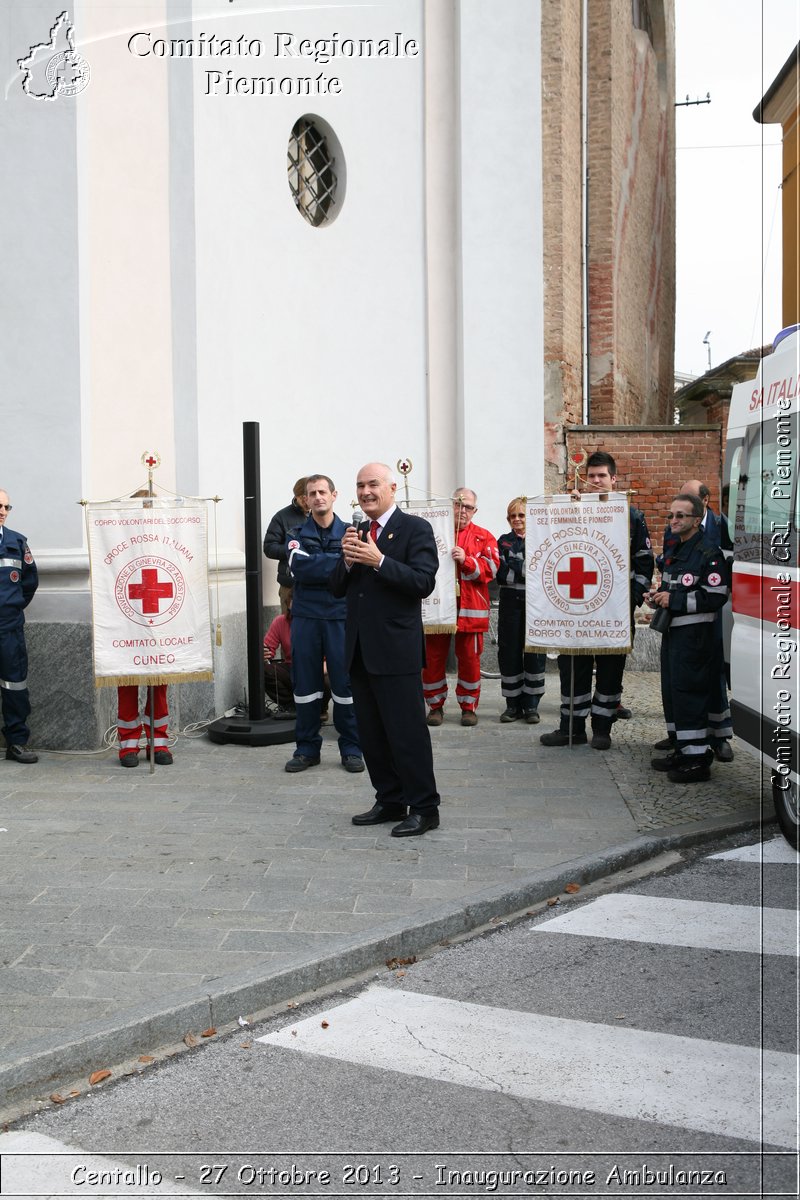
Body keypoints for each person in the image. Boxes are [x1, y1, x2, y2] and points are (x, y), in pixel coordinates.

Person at [331, 462, 441, 837]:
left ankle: (425, 807)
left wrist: (380, 561)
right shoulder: (357, 530)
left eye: (373, 484)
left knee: (406, 733)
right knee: (372, 734)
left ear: (392, 488)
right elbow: (336, 587)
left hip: (396, 651)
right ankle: (390, 799)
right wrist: (345, 563)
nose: (365, 492)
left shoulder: (415, 529)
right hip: (360, 650)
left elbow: (423, 582)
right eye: (360, 486)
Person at [540, 451, 654, 751]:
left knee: (610, 671)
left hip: (613, 612)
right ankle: (571, 728)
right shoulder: (572, 508)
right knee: (572, 671)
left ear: (613, 479)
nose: (596, 481)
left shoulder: (631, 515)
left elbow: (644, 562)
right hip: (575, 610)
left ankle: (602, 729)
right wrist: (567, 509)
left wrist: (628, 599)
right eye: (591, 476)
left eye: (602, 475)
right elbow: (553, 548)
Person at [648, 493, 730, 783]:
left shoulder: (709, 553)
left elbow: (716, 596)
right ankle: (683, 750)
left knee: (690, 695)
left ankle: (697, 760)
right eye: (671, 515)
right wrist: (656, 598)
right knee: (674, 694)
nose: (674, 520)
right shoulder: (676, 550)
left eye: (680, 516)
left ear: (697, 519)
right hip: (674, 634)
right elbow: (672, 590)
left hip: (695, 638)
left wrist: (675, 601)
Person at [284, 474, 362, 774]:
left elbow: (356, 568)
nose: (317, 497)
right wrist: (340, 560)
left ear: (334, 495)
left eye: (322, 492)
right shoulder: (296, 532)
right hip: (306, 617)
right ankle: (306, 749)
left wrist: (334, 562)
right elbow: (298, 567)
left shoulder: (352, 532)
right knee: (306, 686)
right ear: (305, 499)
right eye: (311, 493)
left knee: (345, 686)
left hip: (341, 617)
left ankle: (352, 748)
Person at [423, 488, 499, 727]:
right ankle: (435, 706)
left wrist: (466, 560)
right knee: (433, 658)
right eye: (458, 505)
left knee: (469, 659)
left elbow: (492, 570)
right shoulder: (436, 533)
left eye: (468, 507)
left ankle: (469, 706)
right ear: (451, 506)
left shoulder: (484, 536)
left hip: (471, 609)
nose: (463, 511)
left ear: (475, 511)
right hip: (439, 607)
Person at [117, 489, 173, 767]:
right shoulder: (117, 542)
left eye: (150, 509)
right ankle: (128, 746)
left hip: (158, 623)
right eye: (142, 509)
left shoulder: (167, 542)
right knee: (127, 684)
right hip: (126, 626)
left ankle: (158, 743)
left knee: (158, 686)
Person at [496, 497, 546, 724]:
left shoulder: (541, 540)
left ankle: (532, 705)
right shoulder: (502, 542)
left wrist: (515, 566)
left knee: (534, 652)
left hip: (535, 603)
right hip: (510, 603)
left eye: (521, 515)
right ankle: (512, 704)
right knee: (509, 653)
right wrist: (524, 568)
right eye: (512, 516)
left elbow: (541, 571)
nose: (516, 520)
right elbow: (500, 574)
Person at [0, 489, 38, 763]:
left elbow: (29, 584)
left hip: (8, 629)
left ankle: (16, 743)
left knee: (14, 686)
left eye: (6, 506)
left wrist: (11, 608)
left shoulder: (17, 542)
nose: (2, 510)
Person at [263, 477, 309, 589]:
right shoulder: (281, 517)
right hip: (290, 584)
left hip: (317, 583)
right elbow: (269, 548)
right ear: (295, 496)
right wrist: (293, 550)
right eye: (302, 498)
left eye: (308, 497)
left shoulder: (322, 516)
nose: (305, 501)